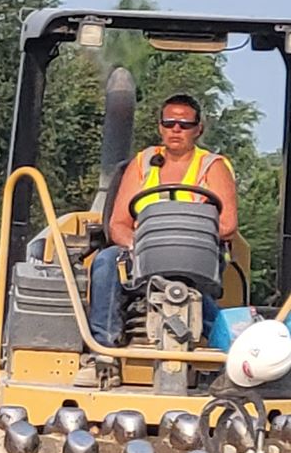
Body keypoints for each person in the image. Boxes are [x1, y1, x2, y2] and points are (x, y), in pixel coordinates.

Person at [86, 92, 239, 348]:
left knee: (186, 283)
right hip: (143, 252)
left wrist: (183, 240)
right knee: (106, 261)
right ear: (160, 127)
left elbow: (228, 225)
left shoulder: (213, 166)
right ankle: (104, 347)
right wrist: (138, 244)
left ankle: (232, 345)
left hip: (197, 254)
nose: (176, 129)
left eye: (185, 124)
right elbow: (118, 224)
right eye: (169, 123)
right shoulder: (142, 164)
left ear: (198, 129)